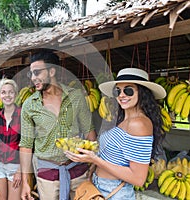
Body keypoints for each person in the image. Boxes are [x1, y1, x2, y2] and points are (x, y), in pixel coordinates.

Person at [65, 68, 166, 199]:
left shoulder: (139, 124)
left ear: (142, 92)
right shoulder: (124, 120)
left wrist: (94, 160)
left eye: (128, 90)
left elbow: (138, 178)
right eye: (117, 91)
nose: (121, 95)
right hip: (100, 186)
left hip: (115, 192)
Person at [19, 49, 97, 200]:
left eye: (37, 73)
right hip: (47, 175)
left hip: (78, 172)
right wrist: (25, 182)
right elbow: (26, 145)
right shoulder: (29, 105)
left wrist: (93, 162)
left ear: (52, 71)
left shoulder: (76, 97)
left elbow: (89, 131)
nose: (33, 78)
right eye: (31, 74)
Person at [0, 78, 22, 200]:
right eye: (3, 92)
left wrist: (20, 170)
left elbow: (28, 145)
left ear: (16, 94)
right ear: (0, 95)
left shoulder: (23, 116)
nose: (7, 95)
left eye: (11, 92)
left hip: (15, 165)